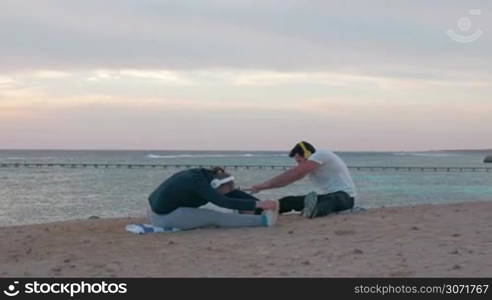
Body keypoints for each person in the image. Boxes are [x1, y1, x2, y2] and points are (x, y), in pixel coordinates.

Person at [247, 141, 356, 218]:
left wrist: (262, 186)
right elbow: (287, 180)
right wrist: (261, 187)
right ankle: (261, 210)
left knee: (331, 200)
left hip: (346, 197)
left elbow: (294, 174)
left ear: (308, 154)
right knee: (290, 200)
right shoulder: (312, 166)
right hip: (328, 197)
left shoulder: (321, 154)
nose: (298, 164)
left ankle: (313, 210)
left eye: (299, 160)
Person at [147, 167, 278, 230]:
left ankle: (256, 214)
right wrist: (257, 206)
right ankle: (263, 221)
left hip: (154, 209)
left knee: (223, 206)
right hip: (163, 217)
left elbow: (230, 194)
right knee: (216, 217)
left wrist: (260, 204)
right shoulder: (197, 184)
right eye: (221, 192)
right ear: (215, 186)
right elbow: (223, 201)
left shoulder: (204, 177)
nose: (223, 194)